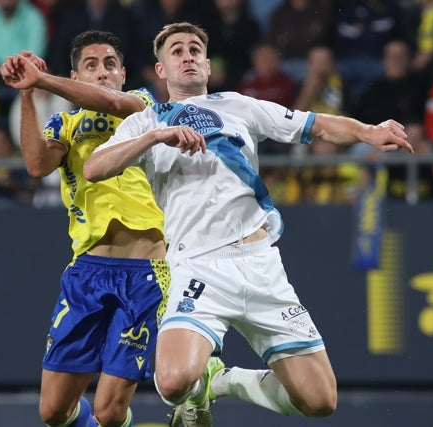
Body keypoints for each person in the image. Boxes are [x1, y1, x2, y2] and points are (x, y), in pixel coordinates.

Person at [83, 22, 413, 426]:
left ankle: (224, 381)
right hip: (199, 266)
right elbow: (94, 167)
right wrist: (156, 138)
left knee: (319, 401)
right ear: (161, 70)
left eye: (194, 50)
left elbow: (316, 124)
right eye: (177, 51)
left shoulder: (241, 106)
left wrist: (368, 131)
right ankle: (197, 382)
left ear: (207, 64)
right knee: (171, 382)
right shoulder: (146, 122)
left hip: (260, 265)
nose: (187, 55)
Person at [0, 31, 169, 427]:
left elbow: (110, 102)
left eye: (110, 64)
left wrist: (41, 78)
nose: (102, 72)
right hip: (87, 271)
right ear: (76, 75)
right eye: (90, 66)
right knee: (54, 412)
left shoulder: (143, 107)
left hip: (146, 273)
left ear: (123, 74)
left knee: (111, 411)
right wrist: (28, 93)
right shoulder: (65, 122)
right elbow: (37, 166)